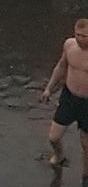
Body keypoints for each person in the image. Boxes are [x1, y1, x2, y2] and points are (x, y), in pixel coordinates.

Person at [41, 19, 88, 170]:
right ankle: (60, 155)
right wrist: (48, 88)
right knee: (53, 137)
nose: (80, 39)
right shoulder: (69, 45)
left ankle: (85, 176)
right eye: (78, 35)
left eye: (85, 36)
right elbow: (61, 66)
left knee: (86, 145)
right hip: (69, 97)